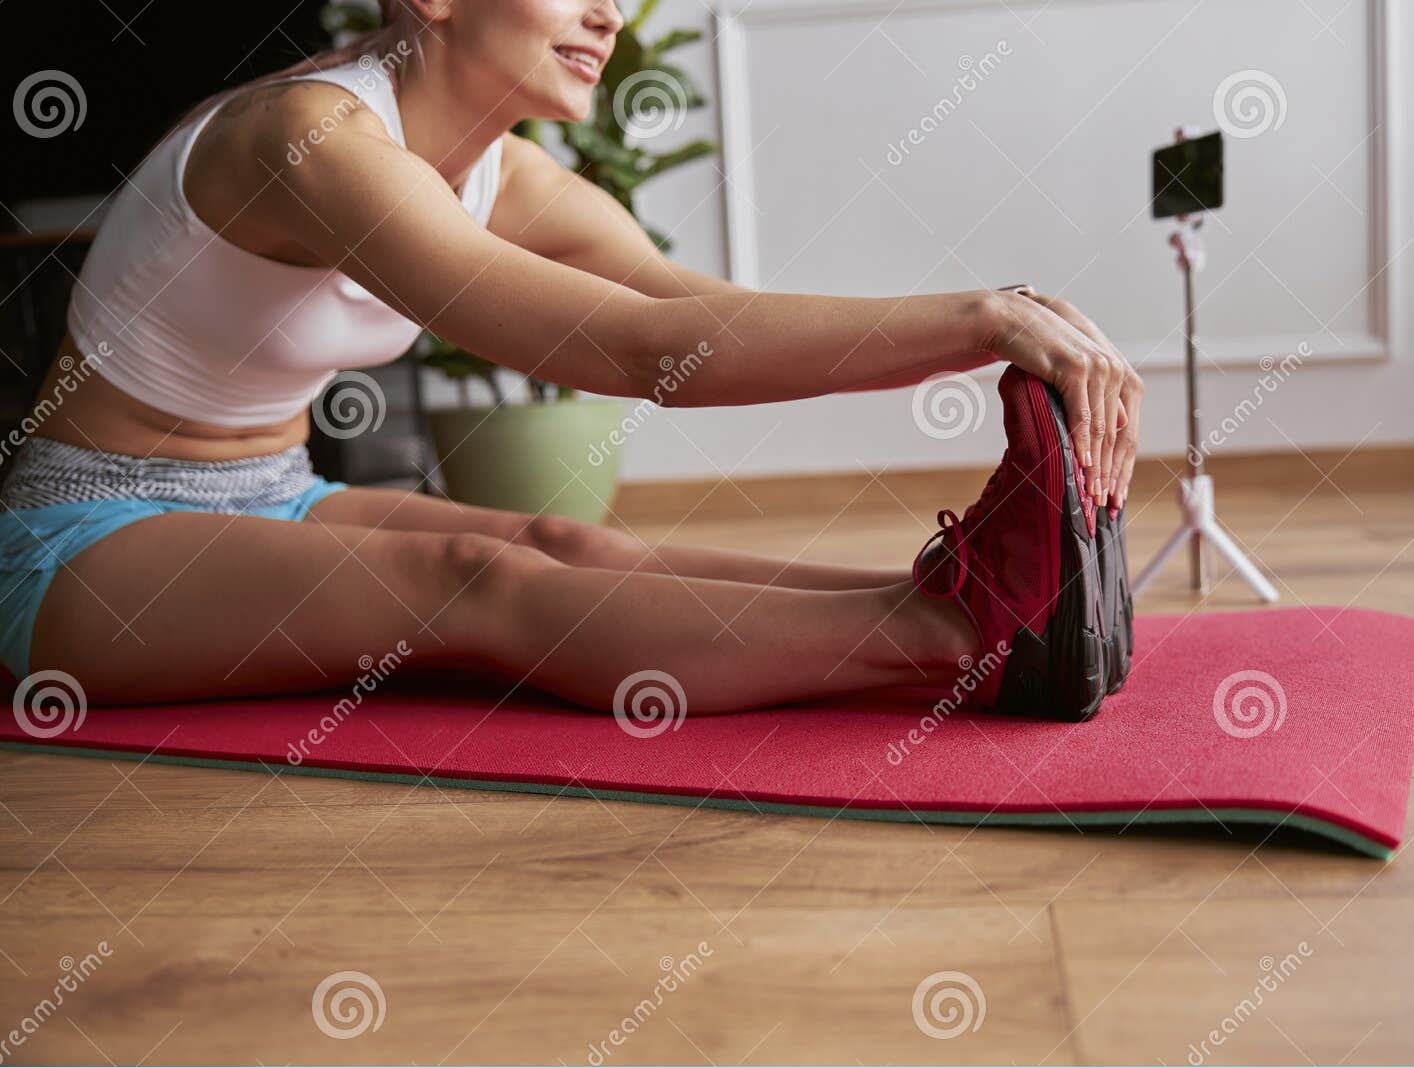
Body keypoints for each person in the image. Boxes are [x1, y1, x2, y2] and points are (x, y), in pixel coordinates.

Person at [0, 0, 1141, 720]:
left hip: (277, 498)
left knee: (567, 540)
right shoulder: (313, 143)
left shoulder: (512, 176)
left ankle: (947, 590)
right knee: (476, 582)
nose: (608, 16)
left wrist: (1000, 314)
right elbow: (636, 349)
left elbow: (704, 312)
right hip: (82, 536)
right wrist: (980, 322)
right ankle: (970, 640)